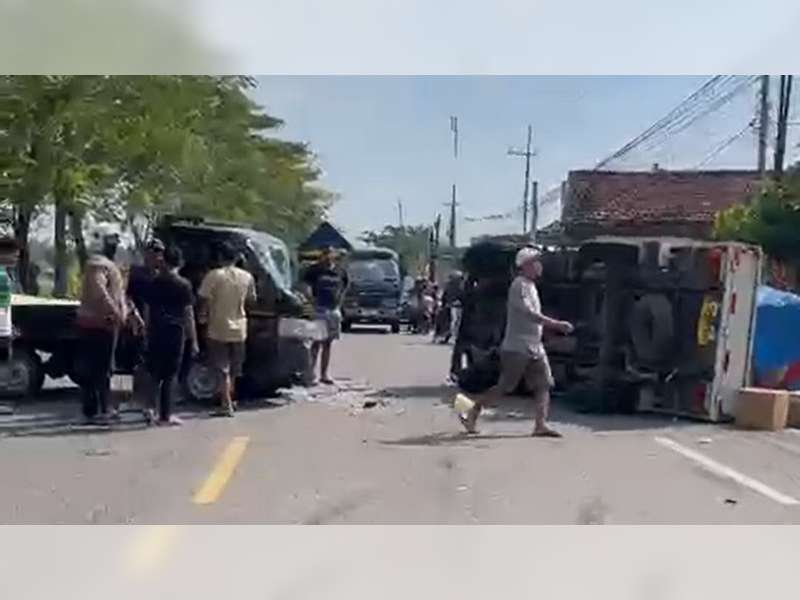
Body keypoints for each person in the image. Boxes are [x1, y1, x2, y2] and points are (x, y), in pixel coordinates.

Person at [457, 247, 573, 438]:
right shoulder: (518, 286)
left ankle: (540, 424)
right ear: (526, 265)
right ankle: (471, 410)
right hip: (517, 347)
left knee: (544, 384)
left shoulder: (531, 286)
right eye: (536, 262)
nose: (539, 266)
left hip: (534, 345)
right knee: (506, 386)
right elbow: (528, 313)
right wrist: (555, 324)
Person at [75, 225, 128, 423]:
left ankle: (97, 409)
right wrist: (115, 311)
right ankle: (103, 410)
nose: (115, 246)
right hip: (100, 324)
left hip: (105, 323)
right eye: (111, 241)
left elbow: (117, 292)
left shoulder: (106, 264)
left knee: (101, 368)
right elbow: (99, 291)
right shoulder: (97, 264)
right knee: (102, 369)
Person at [198, 241, 256, 417]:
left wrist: (202, 318)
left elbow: (204, 300)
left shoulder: (213, 276)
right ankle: (230, 399)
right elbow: (251, 299)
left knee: (222, 368)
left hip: (218, 326)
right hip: (240, 327)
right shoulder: (247, 277)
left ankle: (226, 404)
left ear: (220, 257)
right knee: (234, 369)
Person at [142, 245, 198, 426]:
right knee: (170, 375)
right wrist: (193, 339)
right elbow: (188, 314)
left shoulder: (154, 282)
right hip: (175, 332)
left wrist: (146, 330)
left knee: (153, 373)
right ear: (180, 263)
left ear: (163, 261)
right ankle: (165, 415)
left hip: (155, 331)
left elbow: (147, 310)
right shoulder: (184, 285)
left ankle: (149, 408)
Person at [127, 239, 165, 417]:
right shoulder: (137, 274)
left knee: (155, 367)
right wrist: (134, 315)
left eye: (158, 252)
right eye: (153, 252)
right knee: (134, 364)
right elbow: (127, 297)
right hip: (138, 322)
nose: (156, 255)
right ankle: (130, 400)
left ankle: (151, 403)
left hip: (159, 325)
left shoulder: (164, 276)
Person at [303, 247, 349, 385]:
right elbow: (304, 285)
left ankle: (324, 374)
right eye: (325, 254)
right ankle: (311, 374)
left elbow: (345, 285)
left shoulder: (340, 271)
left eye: (330, 253)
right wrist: (310, 300)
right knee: (316, 342)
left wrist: (340, 301)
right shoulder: (314, 270)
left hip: (333, 309)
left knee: (328, 344)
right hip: (319, 309)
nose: (328, 256)